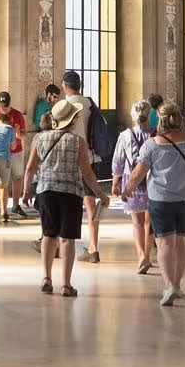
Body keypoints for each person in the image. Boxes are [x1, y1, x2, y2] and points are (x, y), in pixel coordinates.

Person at [124, 101, 185, 306]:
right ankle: (177, 285)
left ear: (160, 120)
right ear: (180, 120)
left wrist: (127, 190)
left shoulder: (152, 144)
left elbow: (138, 173)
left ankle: (169, 285)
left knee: (165, 244)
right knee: (181, 243)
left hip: (161, 200)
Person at [23, 97, 104, 297]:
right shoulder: (78, 142)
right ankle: (66, 285)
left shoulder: (39, 139)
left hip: (46, 191)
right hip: (71, 193)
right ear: (72, 119)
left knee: (48, 235)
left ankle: (46, 278)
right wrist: (100, 193)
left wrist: (26, 191)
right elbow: (87, 173)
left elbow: (31, 167)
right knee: (67, 239)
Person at [60, 69, 109, 263]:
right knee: (90, 205)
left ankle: (61, 244)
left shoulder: (65, 105)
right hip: (91, 158)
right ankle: (93, 248)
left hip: (71, 159)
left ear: (64, 86)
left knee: (65, 203)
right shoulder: (89, 103)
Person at [113, 101, 156, 274]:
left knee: (137, 223)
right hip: (153, 181)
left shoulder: (125, 135)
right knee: (149, 223)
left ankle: (141, 257)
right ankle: (148, 255)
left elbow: (118, 161)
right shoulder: (156, 134)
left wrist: (115, 183)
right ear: (150, 115)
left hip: (131, 181)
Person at [0, 91, 28, 223]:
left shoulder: (17, 115)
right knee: (1, 182)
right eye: (2, 106)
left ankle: (15, 205)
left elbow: (23, 134)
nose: (4, 109)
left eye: (6, 106)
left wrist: (18, 135)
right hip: (2, 154)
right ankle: (2, 209)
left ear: (10, 103)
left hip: (15, 152)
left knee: (17, 177)